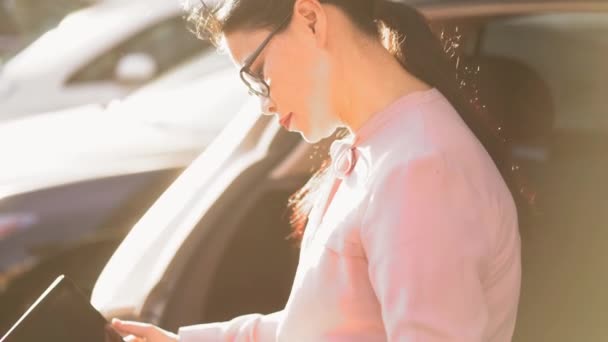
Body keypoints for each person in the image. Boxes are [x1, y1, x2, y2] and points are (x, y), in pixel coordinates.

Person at [111, 0, 525, 340]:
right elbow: (321, 329)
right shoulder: (386, 147)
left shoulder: (420, 168)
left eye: (258, 73)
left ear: (310, 18)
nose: (264, 103)